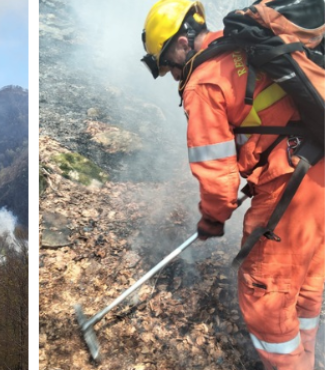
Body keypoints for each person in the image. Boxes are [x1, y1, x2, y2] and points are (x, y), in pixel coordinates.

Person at [141, 1, 324, 369]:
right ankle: (309, 358)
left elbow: (217, 177)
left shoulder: (202, 83)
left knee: (266, 298)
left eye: (170, 66)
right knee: (304, 283)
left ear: (181, 43)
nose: (175, 76)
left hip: (290, 185)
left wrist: (213, 218)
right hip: (319, 165)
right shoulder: (237, 41)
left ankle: (292, 362)